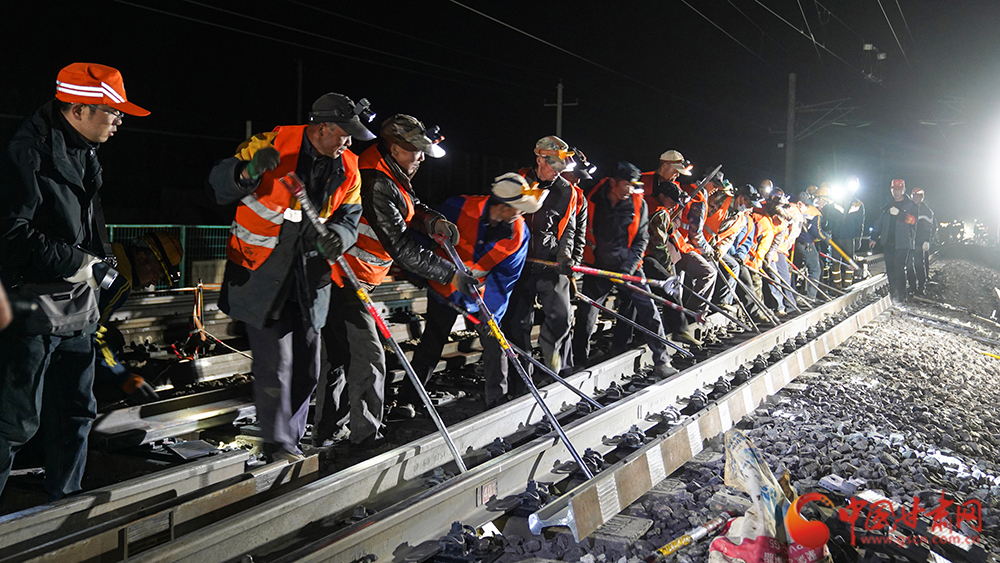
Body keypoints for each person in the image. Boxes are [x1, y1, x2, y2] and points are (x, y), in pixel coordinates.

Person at [0, 63, 150, 499]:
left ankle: (63, 507)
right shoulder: (25, 153)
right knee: (14, 422)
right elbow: (11, 232)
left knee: (76, 414)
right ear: (79, 109)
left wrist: (95, 267)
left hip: (76, 309)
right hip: (31, 307)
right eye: (113, 112)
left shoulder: (84, 150)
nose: (118, 121)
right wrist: (79, 263)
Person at [207, 92, 372, 462]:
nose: (348, 142)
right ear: (323, 128)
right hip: (263, 275)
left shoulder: (348, 166)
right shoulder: (270, 144)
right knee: (274, 367)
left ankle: (290, 443)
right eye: (344, 134)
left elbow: (350, 217)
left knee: (308, 371)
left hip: (310, 278)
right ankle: (279, 445)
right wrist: (247, 172)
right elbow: (218, 185)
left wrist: (339, 236)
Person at [318, 114, 470, 442]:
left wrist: (431, 220)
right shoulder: (374, 180)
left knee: (338, 356)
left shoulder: (389, 171)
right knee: (370, 358)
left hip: (351, 277)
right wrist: (450, 274)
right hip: (344, 277)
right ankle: (365, 438)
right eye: (416, 150)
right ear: (395, 147)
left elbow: (408, 205)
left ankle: (328, 430)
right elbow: (400, 246)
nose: (421, 158)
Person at [405, 173, 542, 408]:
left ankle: (496, 402)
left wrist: (491, 316)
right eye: (518, 209)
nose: (521, 214)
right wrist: (418, 272)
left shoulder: (518, 235)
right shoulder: (459, 208)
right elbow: (420, 232)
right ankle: (409, 399)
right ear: (503, 206)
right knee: (432, 343)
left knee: (495, 341)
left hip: (480, 294)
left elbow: (504, 280)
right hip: (444, 288)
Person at [572, 162, 677, 377]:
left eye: (633, 185)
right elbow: (581, 231)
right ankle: (579, 363)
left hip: (628, 268)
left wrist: (628, 269)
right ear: (613, 182)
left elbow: (641, 240)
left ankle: (662, 360)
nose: (629, 189)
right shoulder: (593, 198)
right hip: (598, 267)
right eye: (626, 184)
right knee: (586, 315)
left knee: (649, 311)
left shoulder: (639, 204)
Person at [503, 136, 579, 376]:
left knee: (562, 317)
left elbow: (568, 229)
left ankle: (551, 352)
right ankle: (522, 379)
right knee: (517, 325)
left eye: (561, 167)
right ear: (539, 159)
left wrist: (564, 255)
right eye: (554, 166)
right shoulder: (516, 182)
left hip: (550, 265)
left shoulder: (566, 191)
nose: (558, 172)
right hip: (519, 267)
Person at [94, 231, 184, 404]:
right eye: (157, 273)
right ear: (141, 257)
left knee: (113, 336)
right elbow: (90, 335)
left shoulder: (111, 253)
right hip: (58, 337)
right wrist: (123, 376)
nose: (154, 282)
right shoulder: (119, 283)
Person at [639, 151, 716, 344]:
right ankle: (647, 334)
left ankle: (677, 327)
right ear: (665, 166)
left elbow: (673, 222)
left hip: (665, 243)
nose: (677, 176)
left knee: (668, 286)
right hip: (643, 246)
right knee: (655, 290)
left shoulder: (674, 188)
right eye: (675, 171)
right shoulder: (643, 182)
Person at [870, 179, 917, 303]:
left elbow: (913, 221)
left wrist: (900, 214)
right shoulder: (886, 206)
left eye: (898, 190)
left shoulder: (911, 205)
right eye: (894, 190)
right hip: (889, 242)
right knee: (890, 269)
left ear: (903, 190)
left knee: (899, 269)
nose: (896, 192)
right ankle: (893, 294)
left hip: (903, 243)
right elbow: (879, 222)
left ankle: (901, 295)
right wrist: (874, 237)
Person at [828, 180, 865, 289]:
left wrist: (858, 239)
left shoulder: (858, 204)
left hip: (849, 237)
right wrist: (829, 231)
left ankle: (847, 285)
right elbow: (830, 217)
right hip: (836, 236)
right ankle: (837, 286)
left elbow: (860, 223)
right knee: (835, 262)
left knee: (849, 262)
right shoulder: (836, 202)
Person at [906, 188, 935, 296]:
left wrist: (926, 240)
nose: (915, 198)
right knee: (909, 265)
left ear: (922, 197)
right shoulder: (908, 208)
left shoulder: (926, 211)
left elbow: (928, 228)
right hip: (909, 240)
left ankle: (921, 286)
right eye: (914, 195)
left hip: (919, 241)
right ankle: (912, 286)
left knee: (918, 264)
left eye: (918, 196)